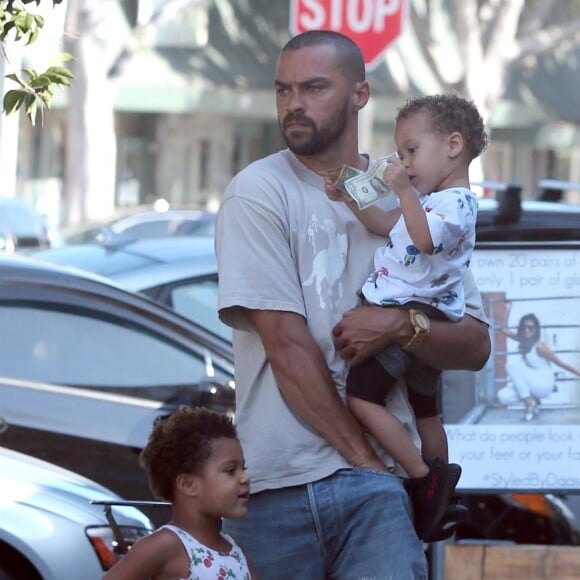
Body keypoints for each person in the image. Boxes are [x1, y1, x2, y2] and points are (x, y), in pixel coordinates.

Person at [215, 30, 490, 579]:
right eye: (282, 90)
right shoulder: (258, 192)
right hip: (280, 485)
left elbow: (475, 342)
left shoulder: (414, 189)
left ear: (360, 95)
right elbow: (287, 349)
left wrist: (399, 326)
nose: (293, 103)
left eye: (314, 87)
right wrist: (370, 465)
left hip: (382, 499)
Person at [323, 94, 487, 540]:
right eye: (400, 153)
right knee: (426, 411)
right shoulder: (428, 201)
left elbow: (424, 239)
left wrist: (401, 189)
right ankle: (443, 489)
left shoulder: (455, 204)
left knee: (361, 398)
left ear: (454, 145)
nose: (404, 162)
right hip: (424, 316)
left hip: (410, 313)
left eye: (412, 150)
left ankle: (423, 480)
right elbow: (387, 225)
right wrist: (350, 200)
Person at [102, 407, 253, 580]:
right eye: (230, 470)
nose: (244, 478)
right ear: (188, 485)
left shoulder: (235, 552)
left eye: (244, 468)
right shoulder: (164, 546)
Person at [497, 302, 580, 421]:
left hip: (544, 382)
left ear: (536, 330)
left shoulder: (540, 346)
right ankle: (533, 400)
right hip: (533, 383)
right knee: (503, 396)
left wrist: (578, 373)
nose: (527, 330)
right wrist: (508, 310)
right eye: (524, 327)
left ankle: (529, 402)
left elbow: (560, 363)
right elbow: (504, 330)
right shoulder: (522, 340)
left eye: (530, 327)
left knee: (511, 365)